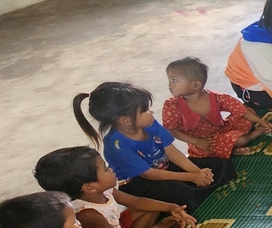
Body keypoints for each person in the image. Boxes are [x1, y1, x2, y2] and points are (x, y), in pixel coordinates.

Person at [74, 82, 235, 212]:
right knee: (181, 192)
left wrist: (196, 172)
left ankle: (199, 190)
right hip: (140, 182)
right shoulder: (116, 145)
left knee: (219, 165)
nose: (151, 112)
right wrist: (192, 178)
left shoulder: (150, 124)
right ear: (125, 120)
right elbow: (149, 174)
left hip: (165, 168)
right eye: (145, 110)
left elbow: (171, 151)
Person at [34, 146, 196, 228]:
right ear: (89, 187)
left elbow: (136, 202)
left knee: (148, 208)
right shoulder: (87, 214)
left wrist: (171, 207)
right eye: (105, 169)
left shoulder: (105, 190)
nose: (111, 169)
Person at [163, 57, 272, 159]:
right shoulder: (172, 106)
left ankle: (229, 150)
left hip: (222, 130)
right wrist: (196, 141)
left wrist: (260, 121)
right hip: (203, 143)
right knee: (240, 140)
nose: (170, 85)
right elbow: (172, 130)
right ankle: (252, 136)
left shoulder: (216, 98)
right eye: (169, 79)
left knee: (249, 112)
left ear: (196, 85)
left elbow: (240, 110)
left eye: (174, 80)